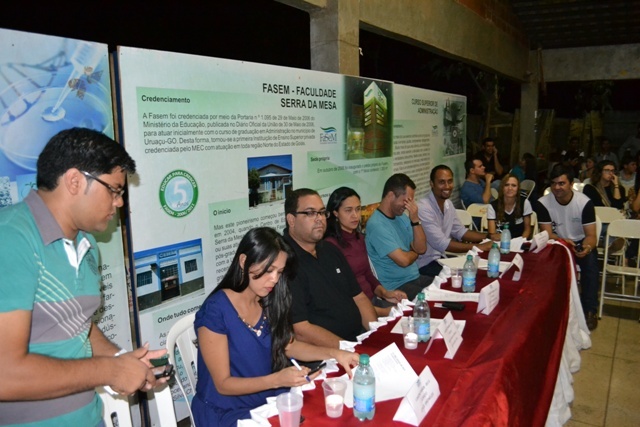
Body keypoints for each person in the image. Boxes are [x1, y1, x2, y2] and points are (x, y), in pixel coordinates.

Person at [0, 128, 166, 426]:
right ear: (75, 181)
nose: (119, 203)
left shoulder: (86, 244)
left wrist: (121, 360)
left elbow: (77, 323)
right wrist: (108, 371)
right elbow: (5, 374)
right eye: (114, 190)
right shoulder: (11, 239)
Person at [192, 227, 359, 427]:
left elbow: (288, 346)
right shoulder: (215, 311)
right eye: (269, 270)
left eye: (279, 272)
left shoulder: (268, 300)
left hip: (267, 397)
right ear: (244, 261)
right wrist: (278, 380)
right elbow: (223, 385)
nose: (274, 279)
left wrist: (335, 353)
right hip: (227, 410)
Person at [283, 188, 377, 347]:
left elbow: (359, 297)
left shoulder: (329, 249)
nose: (319, 219)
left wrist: (375, 334)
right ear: (291, 220)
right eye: (310, 213)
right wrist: (349, 349)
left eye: (321, 212)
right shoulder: (284, 263)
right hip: (327, 352)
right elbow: (301, 330)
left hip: (358, 339)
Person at [535, 164, 599, 330]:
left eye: (562, 183)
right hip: (557, 242)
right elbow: (547, 234)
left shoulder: (584, 203)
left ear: (571, 184)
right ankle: (547, 307)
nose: (557, 187)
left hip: (579, 241)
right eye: (554, 183)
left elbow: (591, 236)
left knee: (591, 263)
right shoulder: (543, 203)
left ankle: (589, 310)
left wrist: (586, 247)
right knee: (541, 260)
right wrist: (563, 241)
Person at [324, 187, 407, 316]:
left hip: (373, 302)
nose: (355, 215)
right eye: (348, 210)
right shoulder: (329, 246)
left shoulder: (360, 238)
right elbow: (341, 296)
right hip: (355, 312)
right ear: (335, 213)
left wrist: (385, 293)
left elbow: (368, 274)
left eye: (358, 209)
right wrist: (384, 312)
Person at [417, 165, 495, 277]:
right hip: (425, 264)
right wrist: (479, 247)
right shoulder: (423, 208)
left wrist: (489, 236)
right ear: (432, 184)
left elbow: (460, 232)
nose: (447, 186)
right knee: (468, 276)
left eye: (450, 181)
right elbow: (442, 244)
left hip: (441, 258)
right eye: (442, 182)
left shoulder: (448, 204)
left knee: (480, 269)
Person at [365, 174, 431, 301]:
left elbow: (422, 249)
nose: (408, 206)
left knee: (445, 288)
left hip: (415, 277)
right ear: (391, 196)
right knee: (434, 300)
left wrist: (415, 220)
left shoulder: (402, 217)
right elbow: (403, 261)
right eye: (406, 201)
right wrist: (414, 252)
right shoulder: (376, 225)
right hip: (396, 287)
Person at [487, 174, 533, 239]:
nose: (510, 188)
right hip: (501, 242)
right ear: (502, 187)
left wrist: (520, 241)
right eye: (506, 185)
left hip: (520, 242)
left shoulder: (525, 203)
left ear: (518, 188)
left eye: (513, 185)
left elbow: (527, 230)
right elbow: (492, 235)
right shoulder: (492, 206)